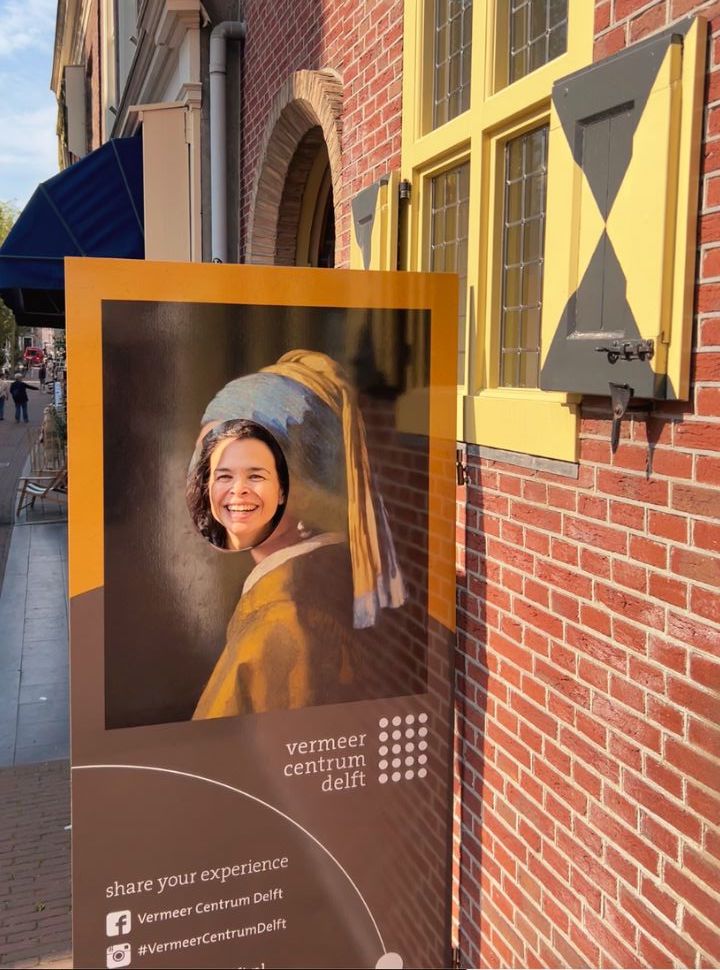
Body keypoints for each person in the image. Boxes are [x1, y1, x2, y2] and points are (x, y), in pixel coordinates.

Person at [187, 349, 406, 719]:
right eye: (218, 470)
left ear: (302, 481)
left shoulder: (284, 618)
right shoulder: (321, 569)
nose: (233, 492)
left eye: (255, 473)